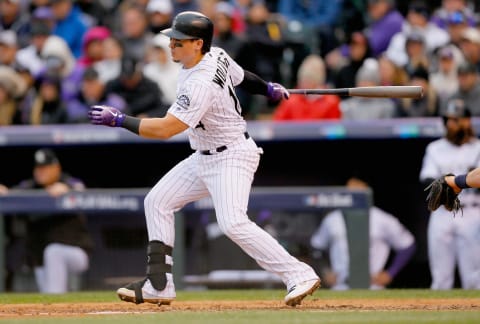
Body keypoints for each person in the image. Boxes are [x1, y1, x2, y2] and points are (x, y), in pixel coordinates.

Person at [88, 11, 320, 307]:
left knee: (233, 223)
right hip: (204, 155)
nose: (171, 44)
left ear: (198, 43)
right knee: (157, 201)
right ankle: (160, 285)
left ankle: (298, 274)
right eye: (172, 39)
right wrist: (267, 88)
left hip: (232, 155)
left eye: (178, 41)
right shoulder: (216, 55)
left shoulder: (200, 82)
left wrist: (121, 120)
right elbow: (243, 78)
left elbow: (166, 129)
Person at [1, 148, 94, 293]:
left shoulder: (67, 181)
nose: (40, 172)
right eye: (38, 168)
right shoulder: (30, 187)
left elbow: (81, 189)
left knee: (53, 252)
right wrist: (6, 192)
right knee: (47, 296)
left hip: (76, 254)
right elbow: (11, 194)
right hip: (40, 260)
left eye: (45, 168)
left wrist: (67, 189)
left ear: (56, 168)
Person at [310, 177, 416, 290]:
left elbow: (407, 246)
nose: (354, 195)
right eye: (350, 190)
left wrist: (390, 273)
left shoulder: (383, 219)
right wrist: (326, 272)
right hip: (341, 286)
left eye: (358, 190)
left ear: (367, 191)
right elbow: (316, 248)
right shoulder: (332, 219)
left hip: (373, 285)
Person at [419, 98, 480, 289]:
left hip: (471, 211)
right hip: (443, 212)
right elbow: (427, 180)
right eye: (449, 120)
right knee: (441, 278)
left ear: (467, 121)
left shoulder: (478, 147)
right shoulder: (435, 148)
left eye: (456, 119)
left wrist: (457, 182)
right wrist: (445, 187)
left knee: (474, 277)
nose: (451, 124)